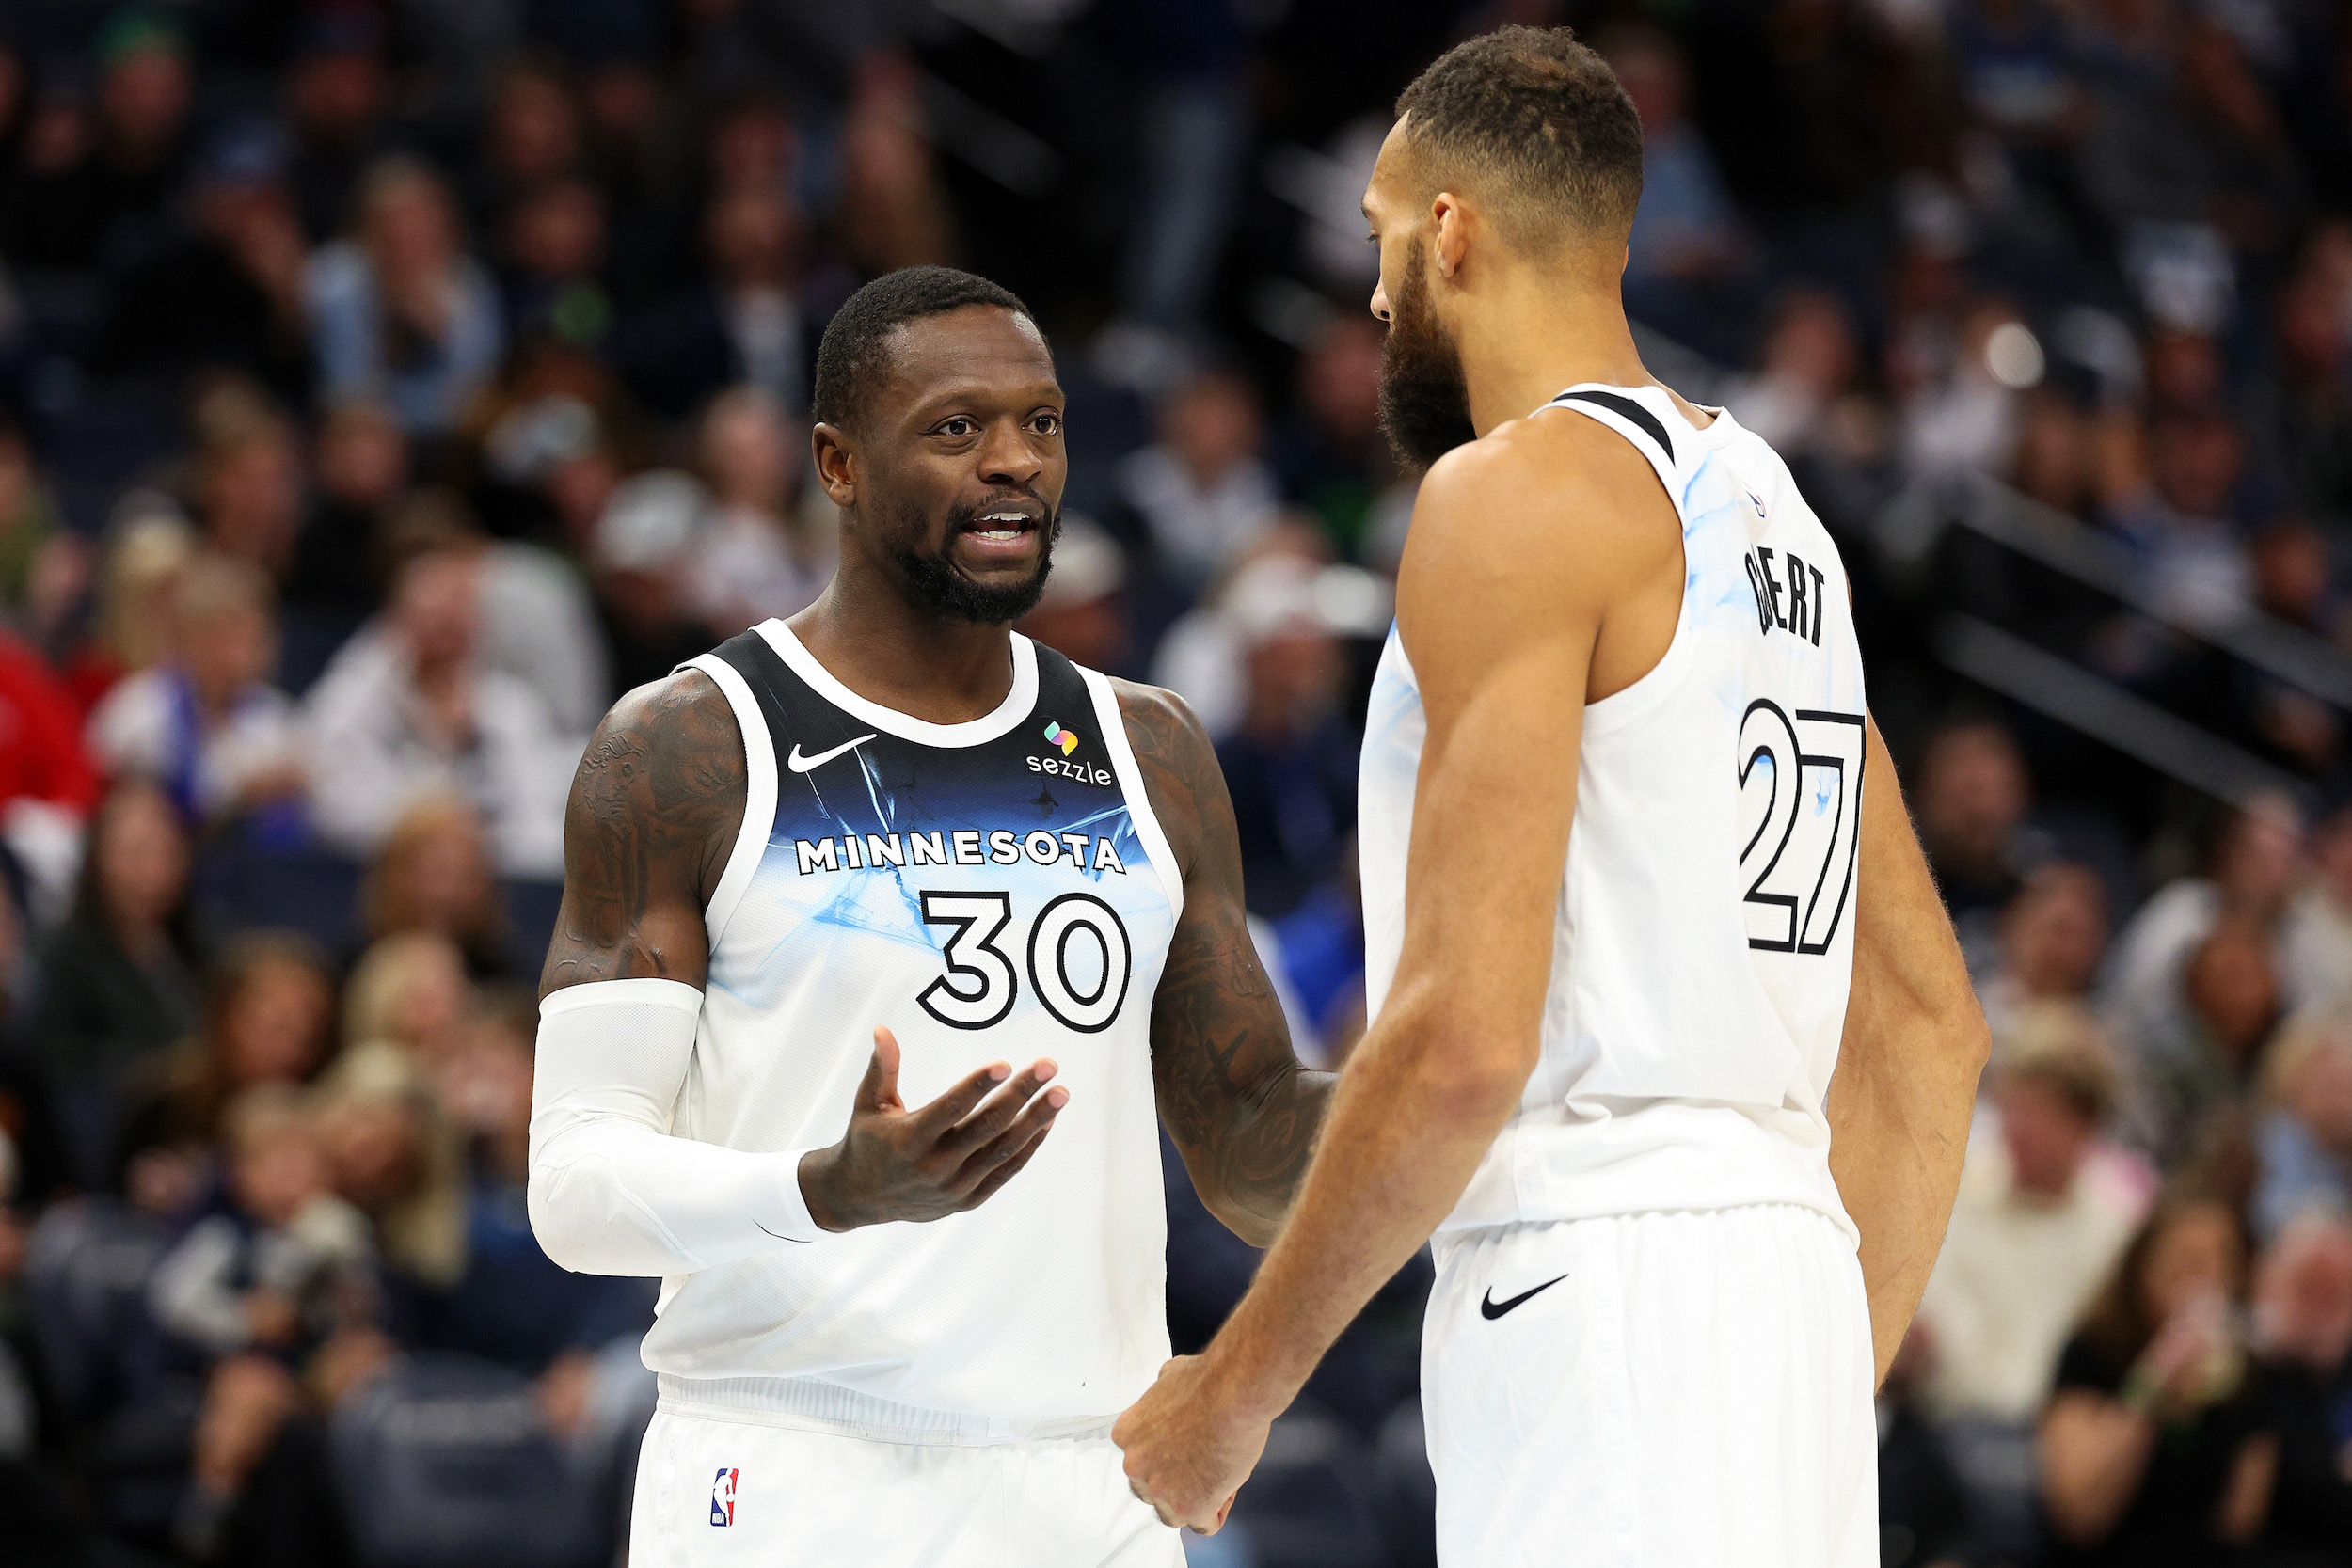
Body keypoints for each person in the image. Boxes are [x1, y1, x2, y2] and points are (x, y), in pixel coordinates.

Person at [1112, 29, 1988, 1566]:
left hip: (1593, 1280)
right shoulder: (1784, 525)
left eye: (1382, 238)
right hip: (1787, 1295)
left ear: (1450, 229)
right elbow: (1928, 1027)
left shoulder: (1508, 497)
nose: (1374, 293)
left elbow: (1462, 1040)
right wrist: (1786, 1385)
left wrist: (1230, 1397)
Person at [524, 266, 1331, 1566]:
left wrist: (1471, 1075)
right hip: (795, 1462)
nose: (1014, 461)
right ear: (837, 464)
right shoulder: (689, 747)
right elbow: (572, 1187)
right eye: (957, 427)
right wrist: (827, 1189)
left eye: (1044, 422)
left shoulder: (1150, 749)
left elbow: (1247, 1153)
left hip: (1092, 1477)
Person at [2039, 1196, 2278, 1566]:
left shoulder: (2247, 1377)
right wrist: (2152, 1386)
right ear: (2143, 1265)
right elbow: (2078, 1516)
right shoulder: (2092, 1352)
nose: (2204, 1278)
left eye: (2220, 1262)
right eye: (2186, 1261)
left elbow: (2239, 1524)